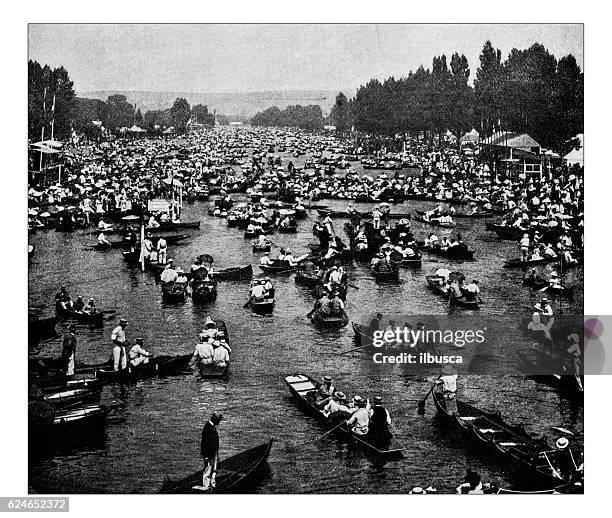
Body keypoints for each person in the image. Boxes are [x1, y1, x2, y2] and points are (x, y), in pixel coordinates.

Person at [195, 413, 223, 491]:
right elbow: (204, 444)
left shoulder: (211, 427)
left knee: (214, 469)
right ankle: (206, 488)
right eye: (219, 420)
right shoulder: (207, 428)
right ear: (215, 420)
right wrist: (206, 456)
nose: (219, 422)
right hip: (209, 454)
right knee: (207, 471)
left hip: (214, 453)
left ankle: (212, 486)